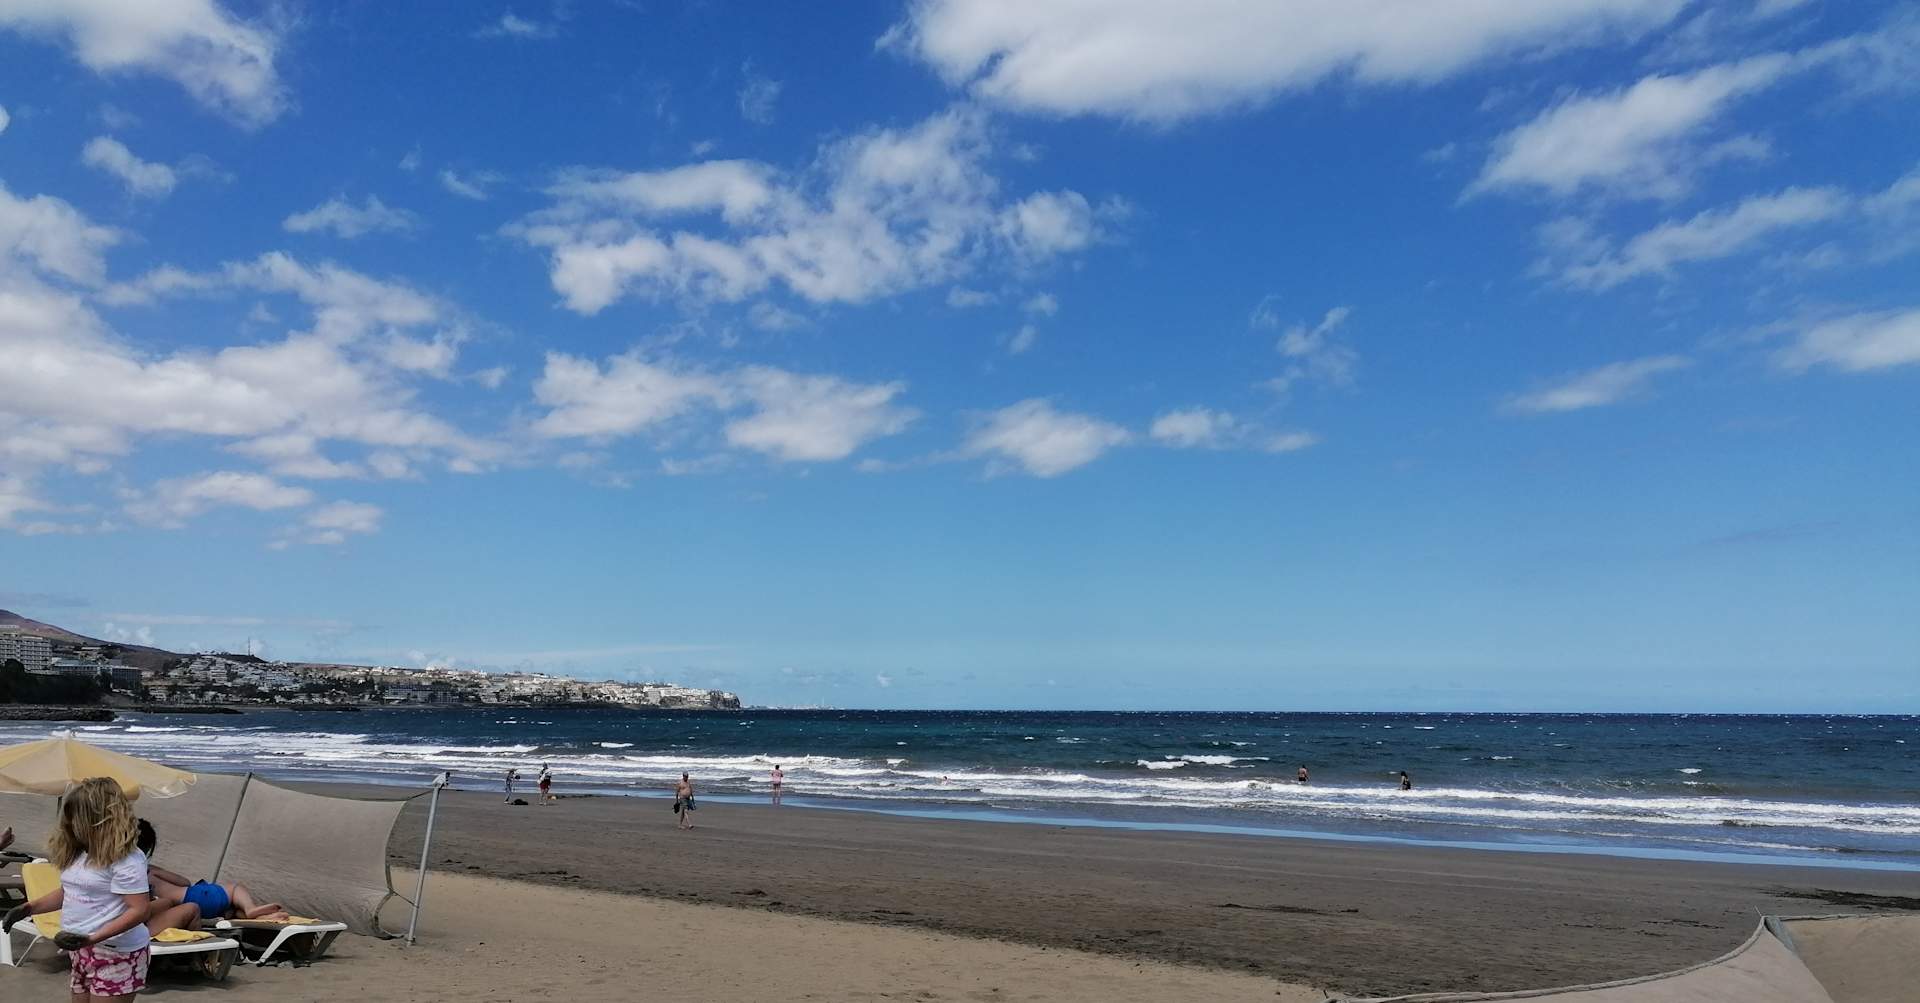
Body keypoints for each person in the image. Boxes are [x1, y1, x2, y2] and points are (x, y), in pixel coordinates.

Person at [4, 777, 152, 1001]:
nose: (70, 823)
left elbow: (139, 910)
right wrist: (28, 908)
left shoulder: (126, 859)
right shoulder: (80, 851)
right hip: (81, 948)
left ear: (96, 819)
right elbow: (69, 892)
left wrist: (92, 938)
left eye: (75, 817)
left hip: (116, 952)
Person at [138, 820, 290, 923]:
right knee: (234, 888)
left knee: (233, 911)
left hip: (194, 908)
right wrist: (161, 871)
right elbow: (185, 882)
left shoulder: (133, 877)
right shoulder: (151, 870)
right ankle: (251, 908)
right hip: (196, 897)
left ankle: (262, 918)